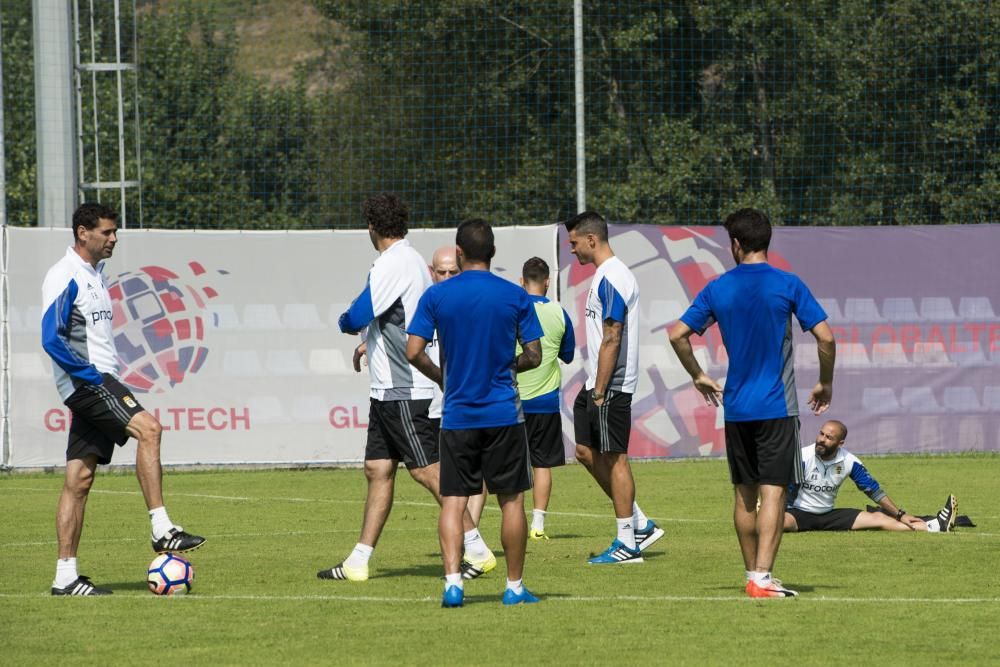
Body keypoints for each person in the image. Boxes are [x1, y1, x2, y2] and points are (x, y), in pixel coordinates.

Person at [318, 194, 493, 583]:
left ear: (372, 228)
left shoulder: (392, 263)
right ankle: (358, 562)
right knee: (377, 469)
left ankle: (478, 550)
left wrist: (347, 322)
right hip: (386, 388)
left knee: (429, 472)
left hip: (404, 387)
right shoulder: (410, 260)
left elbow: (360, 314)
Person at [669, 207, 836, 599]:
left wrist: (698, 374)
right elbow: (826, 338)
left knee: (744, 495)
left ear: (736, 244)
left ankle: (753, 574)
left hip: (737, 409)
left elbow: (678, 334)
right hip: (777, 408)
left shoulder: (718, 288)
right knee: (773, 493)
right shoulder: (788, 283)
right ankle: (761, 577)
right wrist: (825, 383)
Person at [41, 203, 205, 596]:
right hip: (90, 382)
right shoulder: (65, 275)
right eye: (107, 232)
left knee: (78, 480)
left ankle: (65, 576)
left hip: (91, 381)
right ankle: (161, 527)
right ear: (83, 233)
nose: (113, 238)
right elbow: (51, 337)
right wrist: (89, 375)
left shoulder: (95, 273)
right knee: (150, 429)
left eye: (115, 232)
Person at [406, 219, 543, 607]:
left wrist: (444, 378)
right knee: (511, 501)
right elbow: (535, 355)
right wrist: (509, 365)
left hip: (458, 415)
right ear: (493, 253)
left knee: (453, 501)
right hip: (503, 413)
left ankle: (453, 583)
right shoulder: (515, 296)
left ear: (460, 252)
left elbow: (413, 351)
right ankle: (514, 587)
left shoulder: (437, 297)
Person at [564, 211, 664, 565]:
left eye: (574, 242)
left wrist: (601, 389)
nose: (571, 249)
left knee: (615, 458)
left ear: (592, 240)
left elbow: (612, 335)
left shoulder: (614, 276)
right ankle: (639, 523)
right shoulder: (604, 275)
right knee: (584, 451)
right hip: (597, 381)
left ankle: (628, 543)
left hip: (611, 384)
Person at [426, 245, 493, 578]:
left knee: (464, 482)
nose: (448, 277)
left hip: (466, 406)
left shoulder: (471, 304)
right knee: (449, 482)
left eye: (454, 271)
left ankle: (473, 547)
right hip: (434, 406)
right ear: (431, 271)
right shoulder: (425, 302)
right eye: (442, 272)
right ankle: (474, 546)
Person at [785, 420, 957, 533]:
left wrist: (900, 514)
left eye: (829, 437)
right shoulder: (802, 457)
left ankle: (935, 526)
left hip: (828, 516)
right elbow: (782, 486)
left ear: (840, 443)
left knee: (880, 519)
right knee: (773, 524)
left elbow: (874, 491)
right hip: (798, 515)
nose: (822, 439)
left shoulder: (850, 461)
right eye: (821, 434)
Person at [516, 257, 575, 540]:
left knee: (506, 465)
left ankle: (492, 525)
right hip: (545, 402)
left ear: (521, 281)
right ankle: (537, 526)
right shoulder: (559, 313)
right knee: (542, 464)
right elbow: (568, 354)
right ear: (548, 281)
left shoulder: (513, 309)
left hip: (511, 401)